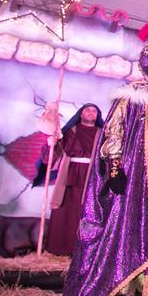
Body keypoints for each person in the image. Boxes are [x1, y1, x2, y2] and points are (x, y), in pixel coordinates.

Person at [63, 15, 148, 296]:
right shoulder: (132, 93)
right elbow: (115, 131)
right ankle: (120, 291)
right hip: (136, 175)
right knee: (129, 230)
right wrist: (114, 170)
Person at [38, 103, 103, 256]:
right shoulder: (68, 132)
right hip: (69, 174)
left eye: (94, 110)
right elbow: (52, 157)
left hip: (91, 178)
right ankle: (58, 249)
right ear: (80, 113)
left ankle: (83, 253)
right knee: (64, 211)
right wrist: (51, 144)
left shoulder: (103, 134)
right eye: (87, 110)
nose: (90, 113)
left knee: (85, 214)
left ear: (98, 115)